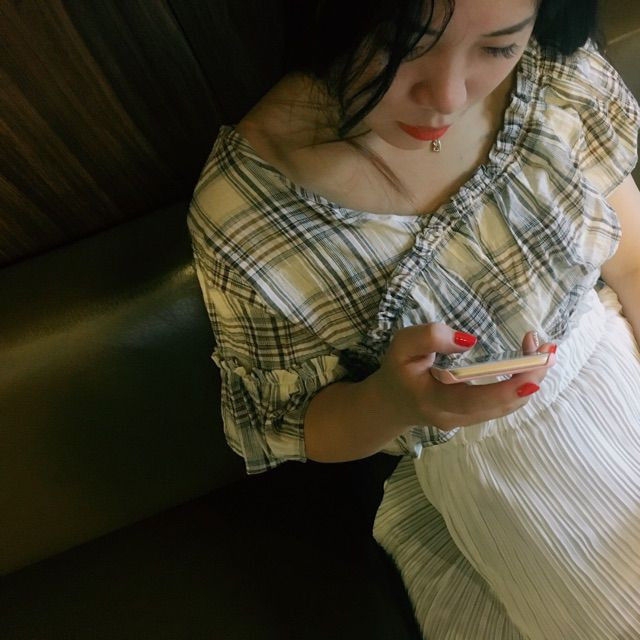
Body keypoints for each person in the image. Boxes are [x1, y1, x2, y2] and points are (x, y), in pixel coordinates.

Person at [188, 0, 640, 637]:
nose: (447, 98)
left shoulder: (552, 75)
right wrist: (395, 401)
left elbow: (633, 264)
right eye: (403, 44)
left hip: (621, 365)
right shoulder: (249, 209)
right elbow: (286, 424)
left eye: (497, 48)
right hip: (493, 474)